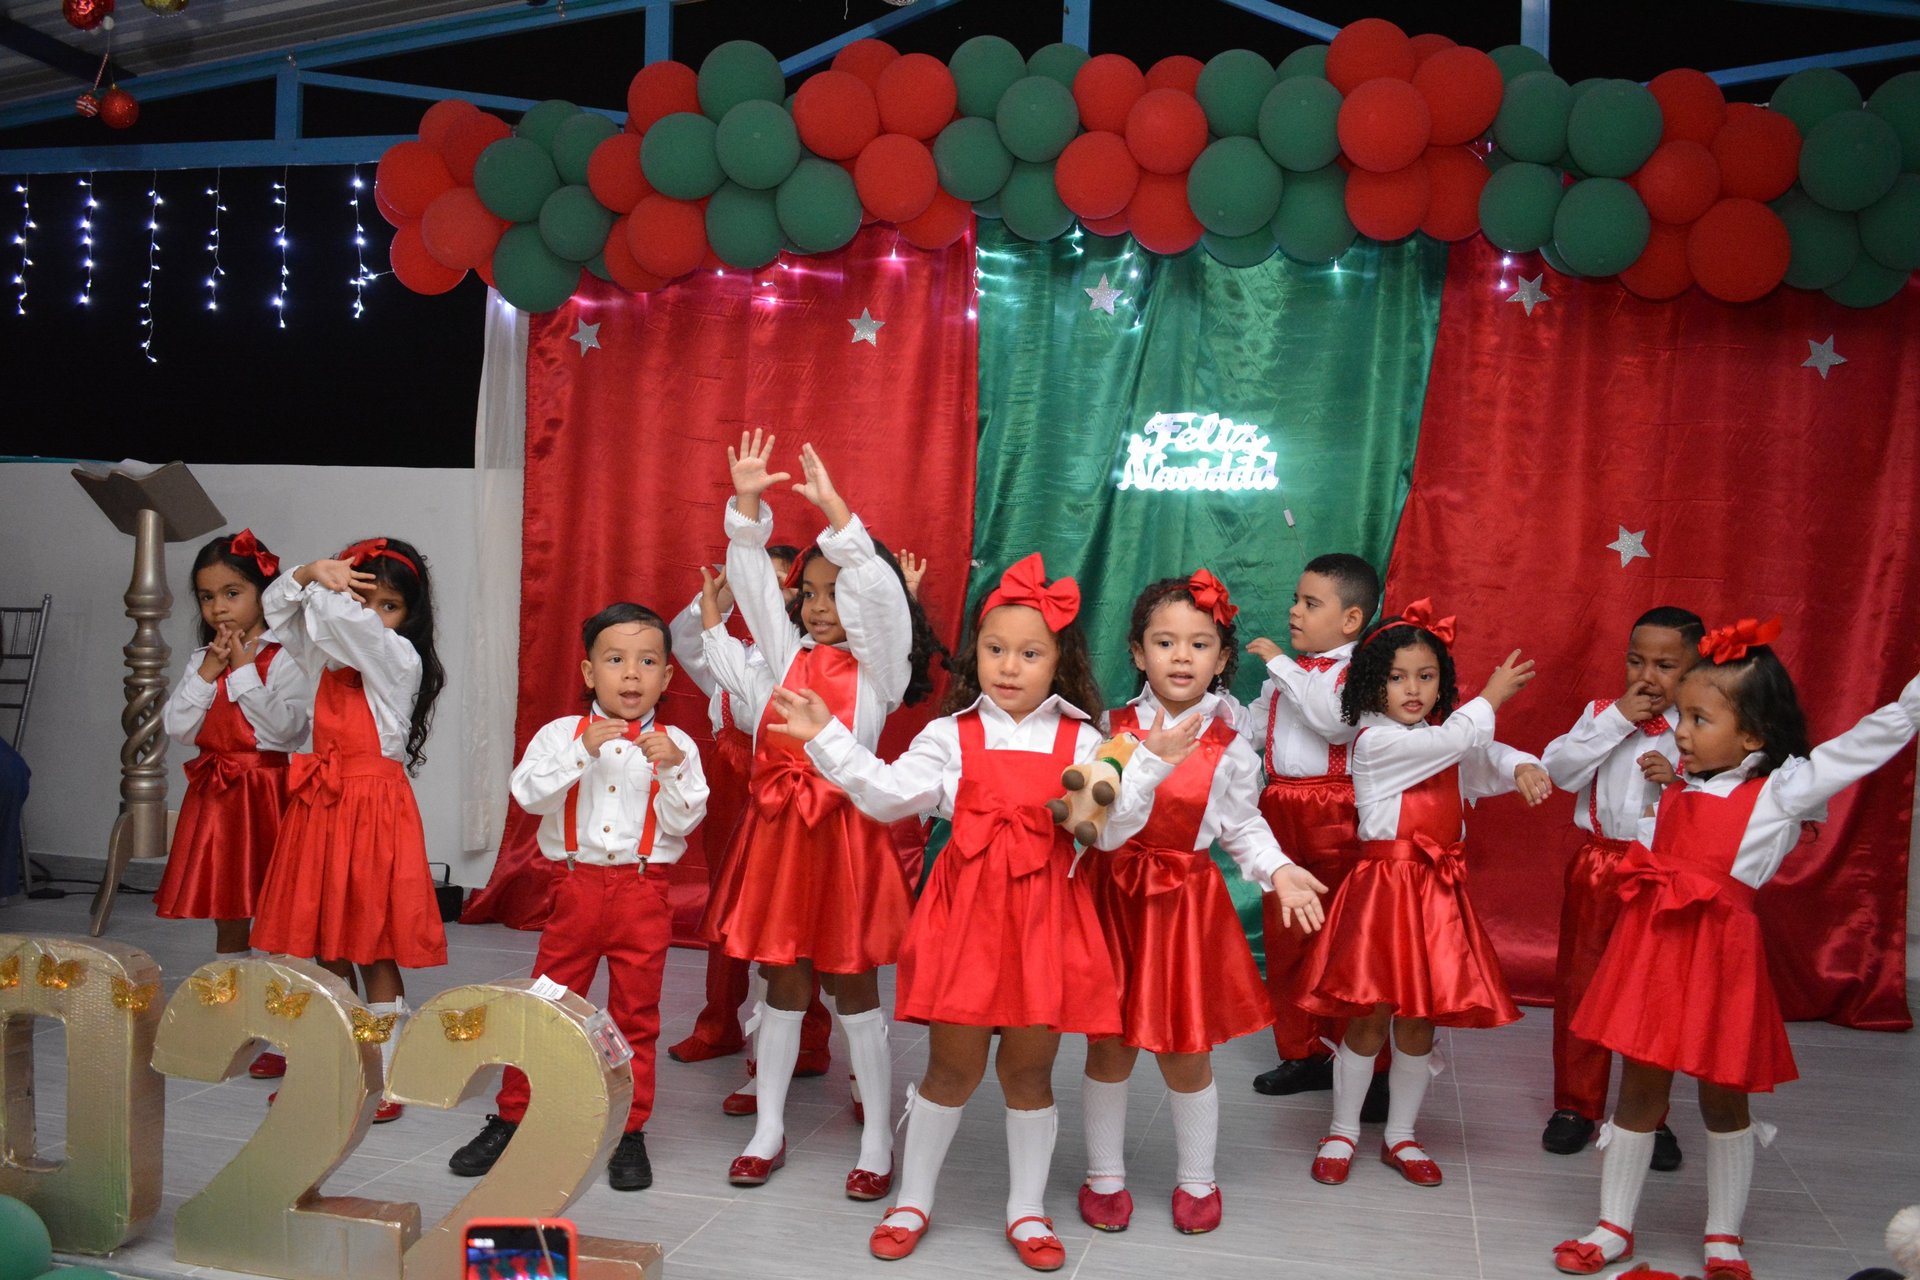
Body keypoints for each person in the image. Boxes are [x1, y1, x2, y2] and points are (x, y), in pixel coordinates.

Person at [769, 552, 1199, 1272]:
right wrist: (824, 736)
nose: (1009, 666)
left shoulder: (1088, 742)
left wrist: (1148, 764)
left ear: (1059, 661)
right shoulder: (948, 737)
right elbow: (880, 794)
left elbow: (1116, 831)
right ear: (977, 656)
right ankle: (913, 1198)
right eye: (995, 650)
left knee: (1029, 1074)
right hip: (966, 927)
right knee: (951, 1069)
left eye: (1030, 653)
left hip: (1045, 929)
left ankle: (1026, 1211)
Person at [1553, 620, 1920, 1279]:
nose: (1682, 729)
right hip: (1656, 956)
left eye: (1698, 717)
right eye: (1682, 715)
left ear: (1753, 735)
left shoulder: (1782, 791)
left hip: (1722, 961)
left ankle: (1723, 1236)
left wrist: (1912, 702)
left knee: (1725, 1099)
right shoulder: (1679, 788)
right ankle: (1613, 1225)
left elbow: (1866, 743)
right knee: (1639, 1090)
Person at [700, 431, 938, 1199]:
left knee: (855, 984)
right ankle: (769, 1127)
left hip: (843, 839)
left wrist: (839, 514)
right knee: (780, 982)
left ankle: (875, 1136)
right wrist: (746, 507)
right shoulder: (783, 652)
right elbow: (756, 589)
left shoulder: (880, 671)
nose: (824, 607)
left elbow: (877, 602)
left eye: (839, 595)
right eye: (814, 594)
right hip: (779, 837)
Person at [1079, 571, 1328, 1236]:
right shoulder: (1112, 728)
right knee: (1108, 1046)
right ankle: (1104, 1174)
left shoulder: (1229, 749)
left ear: (1221, 659)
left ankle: (1197, 1178)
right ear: (1137, 652)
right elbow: (1091, 816)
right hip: (1114, 901)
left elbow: (1244, 827)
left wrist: (1278, 871)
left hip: (1181, 908)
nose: (1181, 656)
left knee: (1185, 1051)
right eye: (1165, 642)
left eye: (1199, 644)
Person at [448, 603, 708, 1191]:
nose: (632, 675)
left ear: (668, 677)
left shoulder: (678, 744)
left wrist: (672, 772)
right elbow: (529, 797)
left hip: (644, 893)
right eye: (616, 661)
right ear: (590, 673)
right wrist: (581, 751)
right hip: (576, 888)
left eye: (648, 662)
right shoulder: (559, 736)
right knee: (546, 1009)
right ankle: (513, 1117)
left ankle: (629, 1131)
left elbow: (684, 821)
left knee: (636, 1017)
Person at [1300, 601, 1548, 1189]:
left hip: (1435, 896)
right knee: (1370, 1014)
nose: (1413, 689)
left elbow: (1482, 755)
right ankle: (1342, 1129)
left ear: (1442, 681)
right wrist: (1491, 698)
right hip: (1384, 893)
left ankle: (1401, 1136)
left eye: (1427, 676)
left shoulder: (1443, 738)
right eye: (1397, 677)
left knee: (1419, 1019)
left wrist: (1522, 766)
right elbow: (1463, 739)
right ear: (1371, 683)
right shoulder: (1375, 745)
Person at [250, 536, 447, 1123]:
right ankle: (332, 1063)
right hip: (322, 806)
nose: (372, 616)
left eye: (387, 606)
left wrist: (332, 585)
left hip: (372, 810)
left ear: (408, 620)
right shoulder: (322, 658)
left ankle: (384, 1069)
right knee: (323, 943)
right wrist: (309, 572)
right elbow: (277, 611)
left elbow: (346, 626)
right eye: (365, 600)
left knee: (372, 942)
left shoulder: (396, 658)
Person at [664, 544, 835, 1104]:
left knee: (793, 911)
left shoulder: (814, 664)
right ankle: (719, 1025)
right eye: (770, 588)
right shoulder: (736, 656)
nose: (782, 601)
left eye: (793, 590)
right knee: (727, 906)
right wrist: (719, 597)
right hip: (731, 777)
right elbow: (684, 641)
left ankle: (807, 1038)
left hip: (788, 780)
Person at [1540, 606, 1703, 1168]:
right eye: (1636, 660)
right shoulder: (1600, 713)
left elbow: (1728, 797)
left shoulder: (1703, 724)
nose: (1647, 677)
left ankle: (1646, 1115)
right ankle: (1575, 1107)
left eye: (1665, 665)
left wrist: (1678, 780)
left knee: (1652, 996)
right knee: (1582, 985)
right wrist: (1614, 723)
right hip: (1599, 864)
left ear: (1696, 668)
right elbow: (1559, 770)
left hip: (1662, 871)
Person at [156, 530, 311, 1079]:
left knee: (273, 919)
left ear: (261, 594)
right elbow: (177, 727)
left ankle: (280, 1034)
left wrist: (243, 672)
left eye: (232, 593)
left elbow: (287, 731)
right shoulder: (203, 658)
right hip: (216, 800)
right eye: (207, 596)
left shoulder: (283, 657)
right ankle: (233, 1026)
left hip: (266, 795)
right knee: (228, 914)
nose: (219, 607)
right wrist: (206, 675)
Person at [1240, 554, 1387, 1113]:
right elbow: (1254, 727)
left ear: (1351, 620)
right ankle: (1302, 1051)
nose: (1293, 611)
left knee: (1348, 938)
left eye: (1309, 603)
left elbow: (1334, 721)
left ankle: (1366, 1064)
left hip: (1338, 808)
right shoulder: (1288, 675)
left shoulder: (1360, 673)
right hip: (1279, 804)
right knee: (1287, 933)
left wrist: (1281, 664)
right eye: (1295, 600)